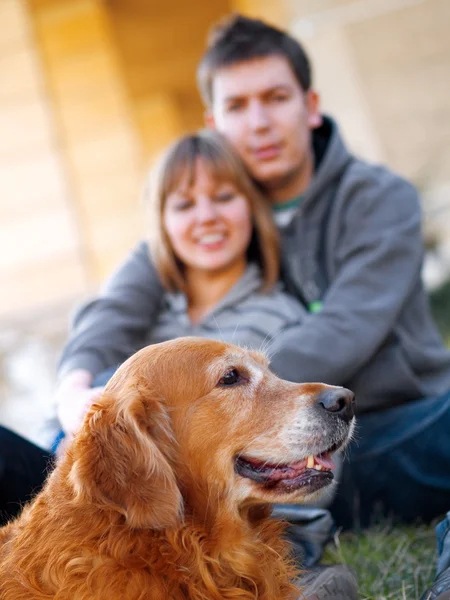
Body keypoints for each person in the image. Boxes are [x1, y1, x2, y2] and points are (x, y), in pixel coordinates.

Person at [53, 14, 450, 598]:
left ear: (310, 106)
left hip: (393, 423)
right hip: (252, 447)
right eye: (238, 106)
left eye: (276, 98)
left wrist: (225, 395)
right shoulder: (208, 206)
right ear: (215, 122)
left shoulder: (377, 199)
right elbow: (113, 306)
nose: (259, 122)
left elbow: (348, 329)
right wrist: (75, 388)